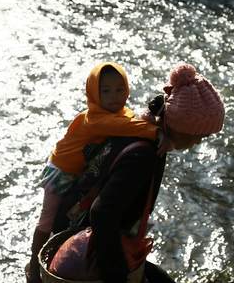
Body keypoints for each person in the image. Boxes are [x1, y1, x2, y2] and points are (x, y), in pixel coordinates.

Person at [0, 63, 225, 283]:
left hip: (77, 221)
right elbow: (103, 214)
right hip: (92, 232)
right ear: (180, 124)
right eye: (198, 135)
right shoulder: (145, 152)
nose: (199, 142)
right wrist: (115, 281)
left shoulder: (141, 127)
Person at [34, 62, 168, 253]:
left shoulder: (117, 113)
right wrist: (157, 133)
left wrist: (153, 114)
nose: (114, 96)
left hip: (80, 169)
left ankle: (58, 252)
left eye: (119, 89)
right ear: (94, 94)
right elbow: (127, 127)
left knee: (65, 215)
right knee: (47, 220)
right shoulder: (95, 119)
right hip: (62, 169)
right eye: (106, 91)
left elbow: (132, 120)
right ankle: (34, 263)